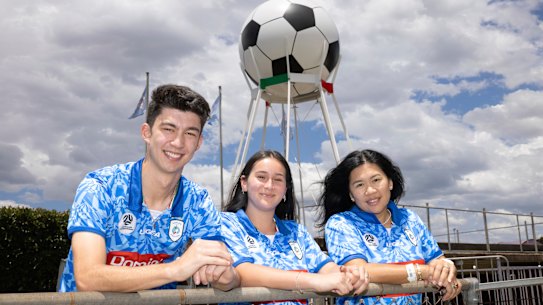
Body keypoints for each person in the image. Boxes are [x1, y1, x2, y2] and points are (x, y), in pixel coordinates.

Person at [58, 84, 239, 292]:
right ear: (147, 132)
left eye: (190, 133)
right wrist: (175, 269)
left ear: (198, 143)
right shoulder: (100, 187)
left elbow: (229, 278)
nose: (178, 143)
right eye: (168, 129)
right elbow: (88, 278)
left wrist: (222, 274)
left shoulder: (198, 201)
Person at [221, 150, 369, 305]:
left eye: (278, 180)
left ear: (285, 189)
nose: (269, 185)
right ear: (244, 183)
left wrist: (349, 274)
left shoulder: (296, 232)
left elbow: (325, 267)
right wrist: (313, 281)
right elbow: (242, 272)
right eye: (261, 177)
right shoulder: (227, 224)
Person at [318, 149, 462, 304]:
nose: (370, 190)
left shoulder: (410, 219)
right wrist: (421, 272)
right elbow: (358, 271)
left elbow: (437, 260)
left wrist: (446, 271)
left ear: (390, 182)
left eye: (376, 180)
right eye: (359, 185)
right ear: (351, 194)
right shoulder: (341, 224)